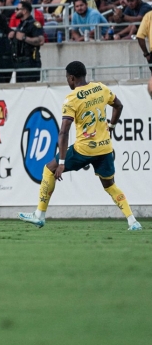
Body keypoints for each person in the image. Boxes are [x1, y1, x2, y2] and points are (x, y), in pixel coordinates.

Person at [18, 61, 142, 231]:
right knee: (110, 185)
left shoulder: (72, 98)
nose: (67, 81)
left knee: (49, 169)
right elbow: (118, 106)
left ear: (72, 78)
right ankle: (132, 221)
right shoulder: (101, 88)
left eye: (67, 78)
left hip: (84, 149)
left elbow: (63, 132)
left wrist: (61, 162)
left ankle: (39, 215)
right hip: (105, 148)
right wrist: (111, 127)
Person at [10, 0, 43, 82]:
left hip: (30, 61)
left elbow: (40, 41)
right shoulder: (21, 24)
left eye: (17, 9)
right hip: (19, 62)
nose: (15, 11)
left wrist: (25, 38)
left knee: (30, 89)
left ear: (24, 11)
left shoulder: (34, 24)